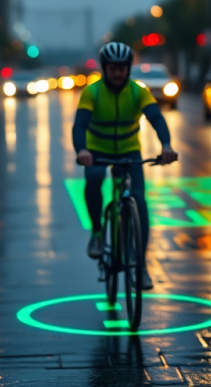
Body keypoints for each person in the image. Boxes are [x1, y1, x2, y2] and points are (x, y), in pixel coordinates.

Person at [73, 42, 178, 290]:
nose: (118, 73)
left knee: (139, 202)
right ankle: (98, 233)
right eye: (113, 68)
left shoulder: (138, 91)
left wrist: (166, 145)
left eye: (122, 68)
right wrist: (82, 151)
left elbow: (156, 118)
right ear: (105, 68)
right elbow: (79, 126)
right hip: (97, 151)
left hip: (130, 153)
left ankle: (140, 266)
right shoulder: (92, 93)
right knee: (95, 179)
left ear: (129, 68)